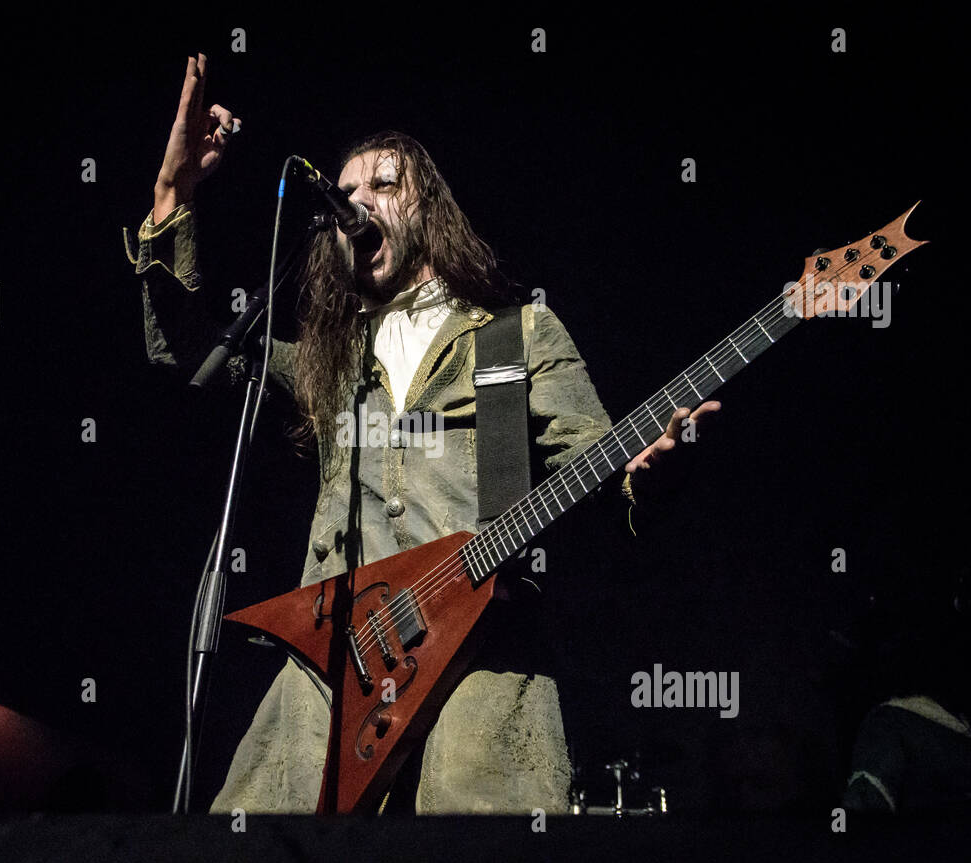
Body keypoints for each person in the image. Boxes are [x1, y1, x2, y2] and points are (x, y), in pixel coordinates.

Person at [122, 54, 718, 813]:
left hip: (484, 654)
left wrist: (650, 473)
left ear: (428, 209)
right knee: (256, 837)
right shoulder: (328, 363)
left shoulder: (516, 336)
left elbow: (603, 472)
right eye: (344, 193)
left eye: (382, 186)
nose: (356, 203)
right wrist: (174, 194)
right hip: (336, 656)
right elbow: (188, 350)